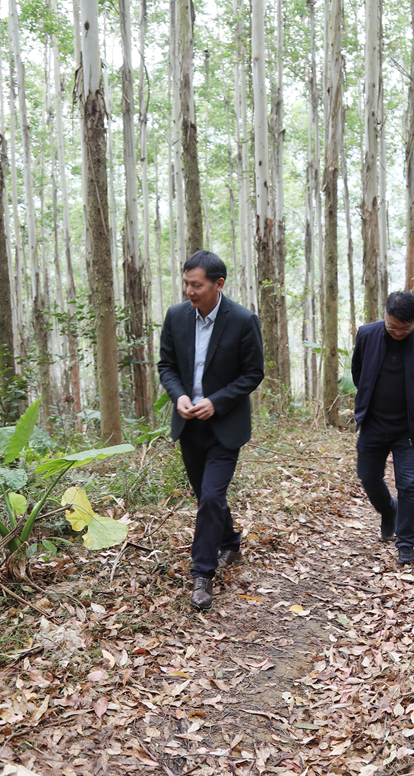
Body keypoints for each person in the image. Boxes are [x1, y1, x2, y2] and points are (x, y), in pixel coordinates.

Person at [159, 250, 266, 612]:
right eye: (186, 284)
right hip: (189, 425)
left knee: (210, 496)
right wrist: (179, 395)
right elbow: (167, 365)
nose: (189, 291)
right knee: (208, 496)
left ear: (218, 284)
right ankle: (231, 543)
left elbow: (253, 373)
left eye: (197, 285)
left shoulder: (243, 320)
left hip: (225, 427)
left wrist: (217, 401)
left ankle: (202, 575)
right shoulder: (176, 316)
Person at [351, 290, 414, 566]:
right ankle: (388, 510)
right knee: (368, 477)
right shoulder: (367, 334)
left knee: (408, 484)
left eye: (404, 328)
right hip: (373, 423)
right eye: (392, 326)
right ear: (385, 315)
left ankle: (406, 543)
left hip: (409, 428)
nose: (397, 333)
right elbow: (358, 372)